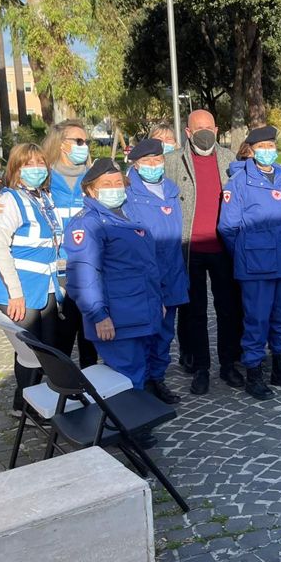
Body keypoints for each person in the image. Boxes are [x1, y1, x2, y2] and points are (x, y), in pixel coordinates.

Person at [219, 125, 281, 400]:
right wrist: (246, 254)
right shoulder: (238, 181)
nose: (268, 150)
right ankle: (254, 374)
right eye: (262, 146)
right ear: (250, 150)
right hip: (255, 265)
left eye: (271, 145)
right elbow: (228, 227)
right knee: (257, 321)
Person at [63, 159, 163, 392]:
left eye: (118, 182)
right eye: (106, 184)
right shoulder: (88, 223)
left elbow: (145, 265)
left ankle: (138, 420)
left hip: (139, 310)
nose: (115, 188)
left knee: (139, 371)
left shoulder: (128, 212)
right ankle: (127, 424)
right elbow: (83, 273)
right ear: (91, 189)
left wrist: (158, 301)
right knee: (126, 377)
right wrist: (98, 315)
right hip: (116, 317)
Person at [164, 109, 243, 395]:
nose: (205, 132)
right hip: (189, 247)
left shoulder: (229, 159)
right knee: (194, 311)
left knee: (228, 309)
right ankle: (200, 367)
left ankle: (228, 363)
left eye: (209, 127)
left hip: (222, 246)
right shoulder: (172, 161)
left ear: (217, 128)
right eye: (199, 128)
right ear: (188, 132)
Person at [0, 143, 61, 414]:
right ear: (16, 169)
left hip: (44, 285)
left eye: (41, 163)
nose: (36, 169)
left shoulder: (44, 197)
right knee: (31, 353)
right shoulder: (9, 200)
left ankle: (41, 400)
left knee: (49, 348)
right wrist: (15, 292)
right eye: (28, 164)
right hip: (17, 289)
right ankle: (24, 406)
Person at [124, 139, 188, 404]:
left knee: (165, 334)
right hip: (145, 279)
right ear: (136, 165)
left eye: (158, 160)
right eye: (147, 162)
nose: (154, 165)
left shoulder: (171, 191)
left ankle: (157, 379)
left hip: (172, 273)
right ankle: (140, 387)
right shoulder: (128, 195)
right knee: (145, 335)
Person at [42, 120, 98, 368]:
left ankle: (93, 390)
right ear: (60, 144)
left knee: (90, 339)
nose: (83, 146)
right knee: (59, 339)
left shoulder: (93, 179)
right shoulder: (44, 179)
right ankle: (55, 393)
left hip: (89, 269)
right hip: (57, 273)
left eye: (85, 142)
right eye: (78, 141)